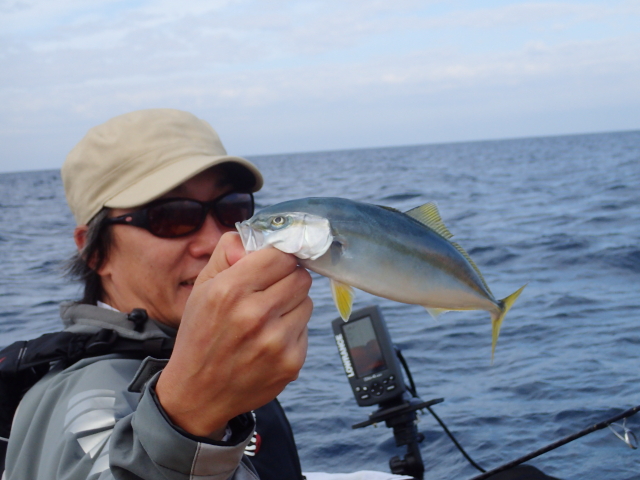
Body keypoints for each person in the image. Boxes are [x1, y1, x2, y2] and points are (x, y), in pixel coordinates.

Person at [4, 108, 313, 480]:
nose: (217, 241)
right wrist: (190, 417)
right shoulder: (91, 393)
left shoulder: (214, 360)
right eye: (173, 216)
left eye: (232, 209)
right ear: (96, 251)